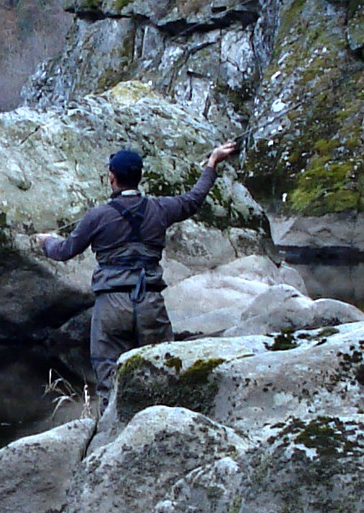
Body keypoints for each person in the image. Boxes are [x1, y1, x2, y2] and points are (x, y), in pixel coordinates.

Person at [35, 140, 240, 389]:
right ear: (140, 177)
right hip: (149, 303)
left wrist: (45, 241)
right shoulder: (160, 209)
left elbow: (64, 250)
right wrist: (212, 164)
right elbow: (194, 199)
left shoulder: (97, 216)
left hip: (111, 306)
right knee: (162, 375)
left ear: (111, 177)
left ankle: (112, 426)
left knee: (110, 378)